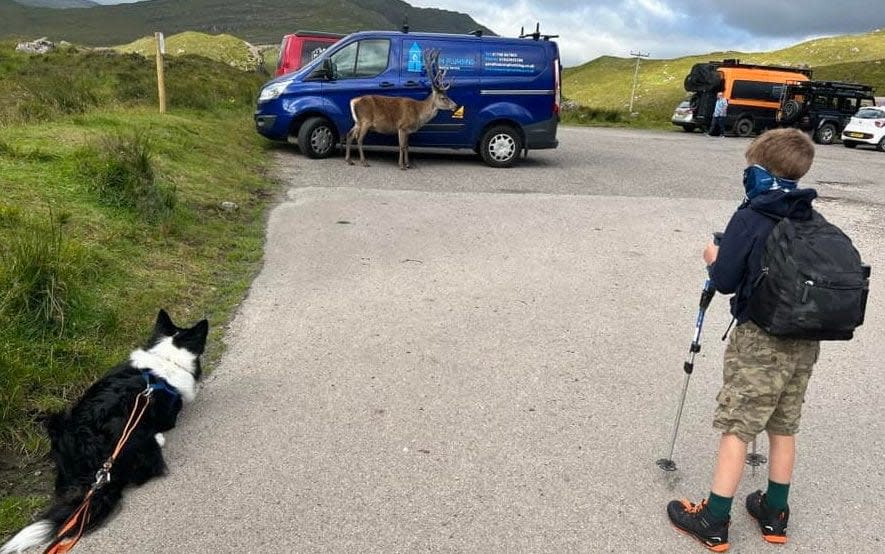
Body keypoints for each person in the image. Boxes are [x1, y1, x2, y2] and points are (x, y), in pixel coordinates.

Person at [667, 128, 819, 552]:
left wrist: (714, 259)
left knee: (738, 425)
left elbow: (727, 280)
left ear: (759, 168)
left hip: (761, 338)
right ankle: (775, 512)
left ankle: (714, 519)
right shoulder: (808, 214)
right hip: (805, 338)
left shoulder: (752, 216)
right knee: (784, 424)